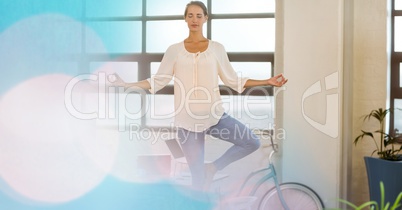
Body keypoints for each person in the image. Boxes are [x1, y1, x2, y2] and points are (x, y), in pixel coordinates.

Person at [110, 1, 288, 191]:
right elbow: (158, 81)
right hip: (187, 123)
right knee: (198, 182)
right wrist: (126, 84)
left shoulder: (217, 48)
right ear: (185, 19)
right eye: (190, 15)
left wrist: (267, 81)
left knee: (251, 141)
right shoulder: (174, 50)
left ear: (205, 18)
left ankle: (213, 167)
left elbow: (233, 80)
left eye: (198, 15)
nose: (194, 19)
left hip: (215, 117)